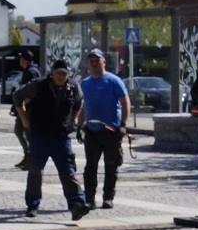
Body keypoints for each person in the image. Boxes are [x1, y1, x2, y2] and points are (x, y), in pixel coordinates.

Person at [18, 58, 89, 221]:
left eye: (64, 73)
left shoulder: (74, 87)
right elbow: (17, 96)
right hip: (40, 137)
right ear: (52, 73)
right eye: (58, 73)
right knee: (35, 172)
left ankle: (77, 205)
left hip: (61, 138)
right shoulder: (38, 85)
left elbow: (79, 102)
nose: (61, 76)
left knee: (68, 172)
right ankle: (32, 205)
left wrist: (74, 119)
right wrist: (24, 119)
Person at [79, 49, 131, 209]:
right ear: (88, 64)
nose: (94, 63)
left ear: (104, 62)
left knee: (111, 165)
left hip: (111, 130)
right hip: (91, 130)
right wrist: (79, 126)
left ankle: (108, 197)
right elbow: (83, 107)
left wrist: (123, 124)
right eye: (91, 61)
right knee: (90, 167)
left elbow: (125, 102)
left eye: (97, 60)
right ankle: (89, 199)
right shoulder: (85, 83)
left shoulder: (114, 81)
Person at [8, 51, 39, 169]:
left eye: (21, 59)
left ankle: (31, 157)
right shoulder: (30, 70)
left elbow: (32, 92)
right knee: (20, 130)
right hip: (25, 106)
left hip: (28, 107)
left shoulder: (31, 72)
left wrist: (22, 104)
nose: (19, 61)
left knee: (26, 132)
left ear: (24, 60)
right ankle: (28, 155)